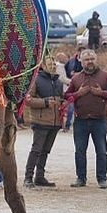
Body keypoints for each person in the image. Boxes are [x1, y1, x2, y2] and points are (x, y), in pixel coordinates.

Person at [65, 49, 107, 188]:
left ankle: (102, 178)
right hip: (81, 121)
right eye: (86, 59)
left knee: (101, 151)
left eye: (92, 59)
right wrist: (78, 94)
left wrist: (101, 93)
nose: (89, 62)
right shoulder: (76, 78)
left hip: (99, 120)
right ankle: (81, 178)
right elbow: (66, 96)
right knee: (80, 151)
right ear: (81, 61)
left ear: (96, 59)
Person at [22, 56, 65, 187]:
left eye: (54, 64)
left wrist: (63, 103)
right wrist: (45, 102)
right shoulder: (36, 80)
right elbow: (28, 100)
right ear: (43, 66)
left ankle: (39, 177)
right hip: (40, 121)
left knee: (46, 150)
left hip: (55, 122)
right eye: (50, 63)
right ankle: (28, 177)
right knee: (36, 150)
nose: (53, 66)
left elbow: (60, 99)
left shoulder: (59, 82)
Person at [64, 45, 86, 130]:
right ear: (78, 52)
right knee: (70, 107)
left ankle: (81, 125)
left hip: (84, 87)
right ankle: (67, 125)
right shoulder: (71, 61)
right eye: (81, 52)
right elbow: (66, 72)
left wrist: (78, 74)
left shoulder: (87, 62)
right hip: (73, 87)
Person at [54, 52, 71, 131]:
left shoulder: (57, 65)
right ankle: (65, 125)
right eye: (64, 58)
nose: (66, 59)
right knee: (67, 108)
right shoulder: (59, 66)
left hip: (59, 89)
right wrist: (72, 82)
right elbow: (62, 78)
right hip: (63, 89)